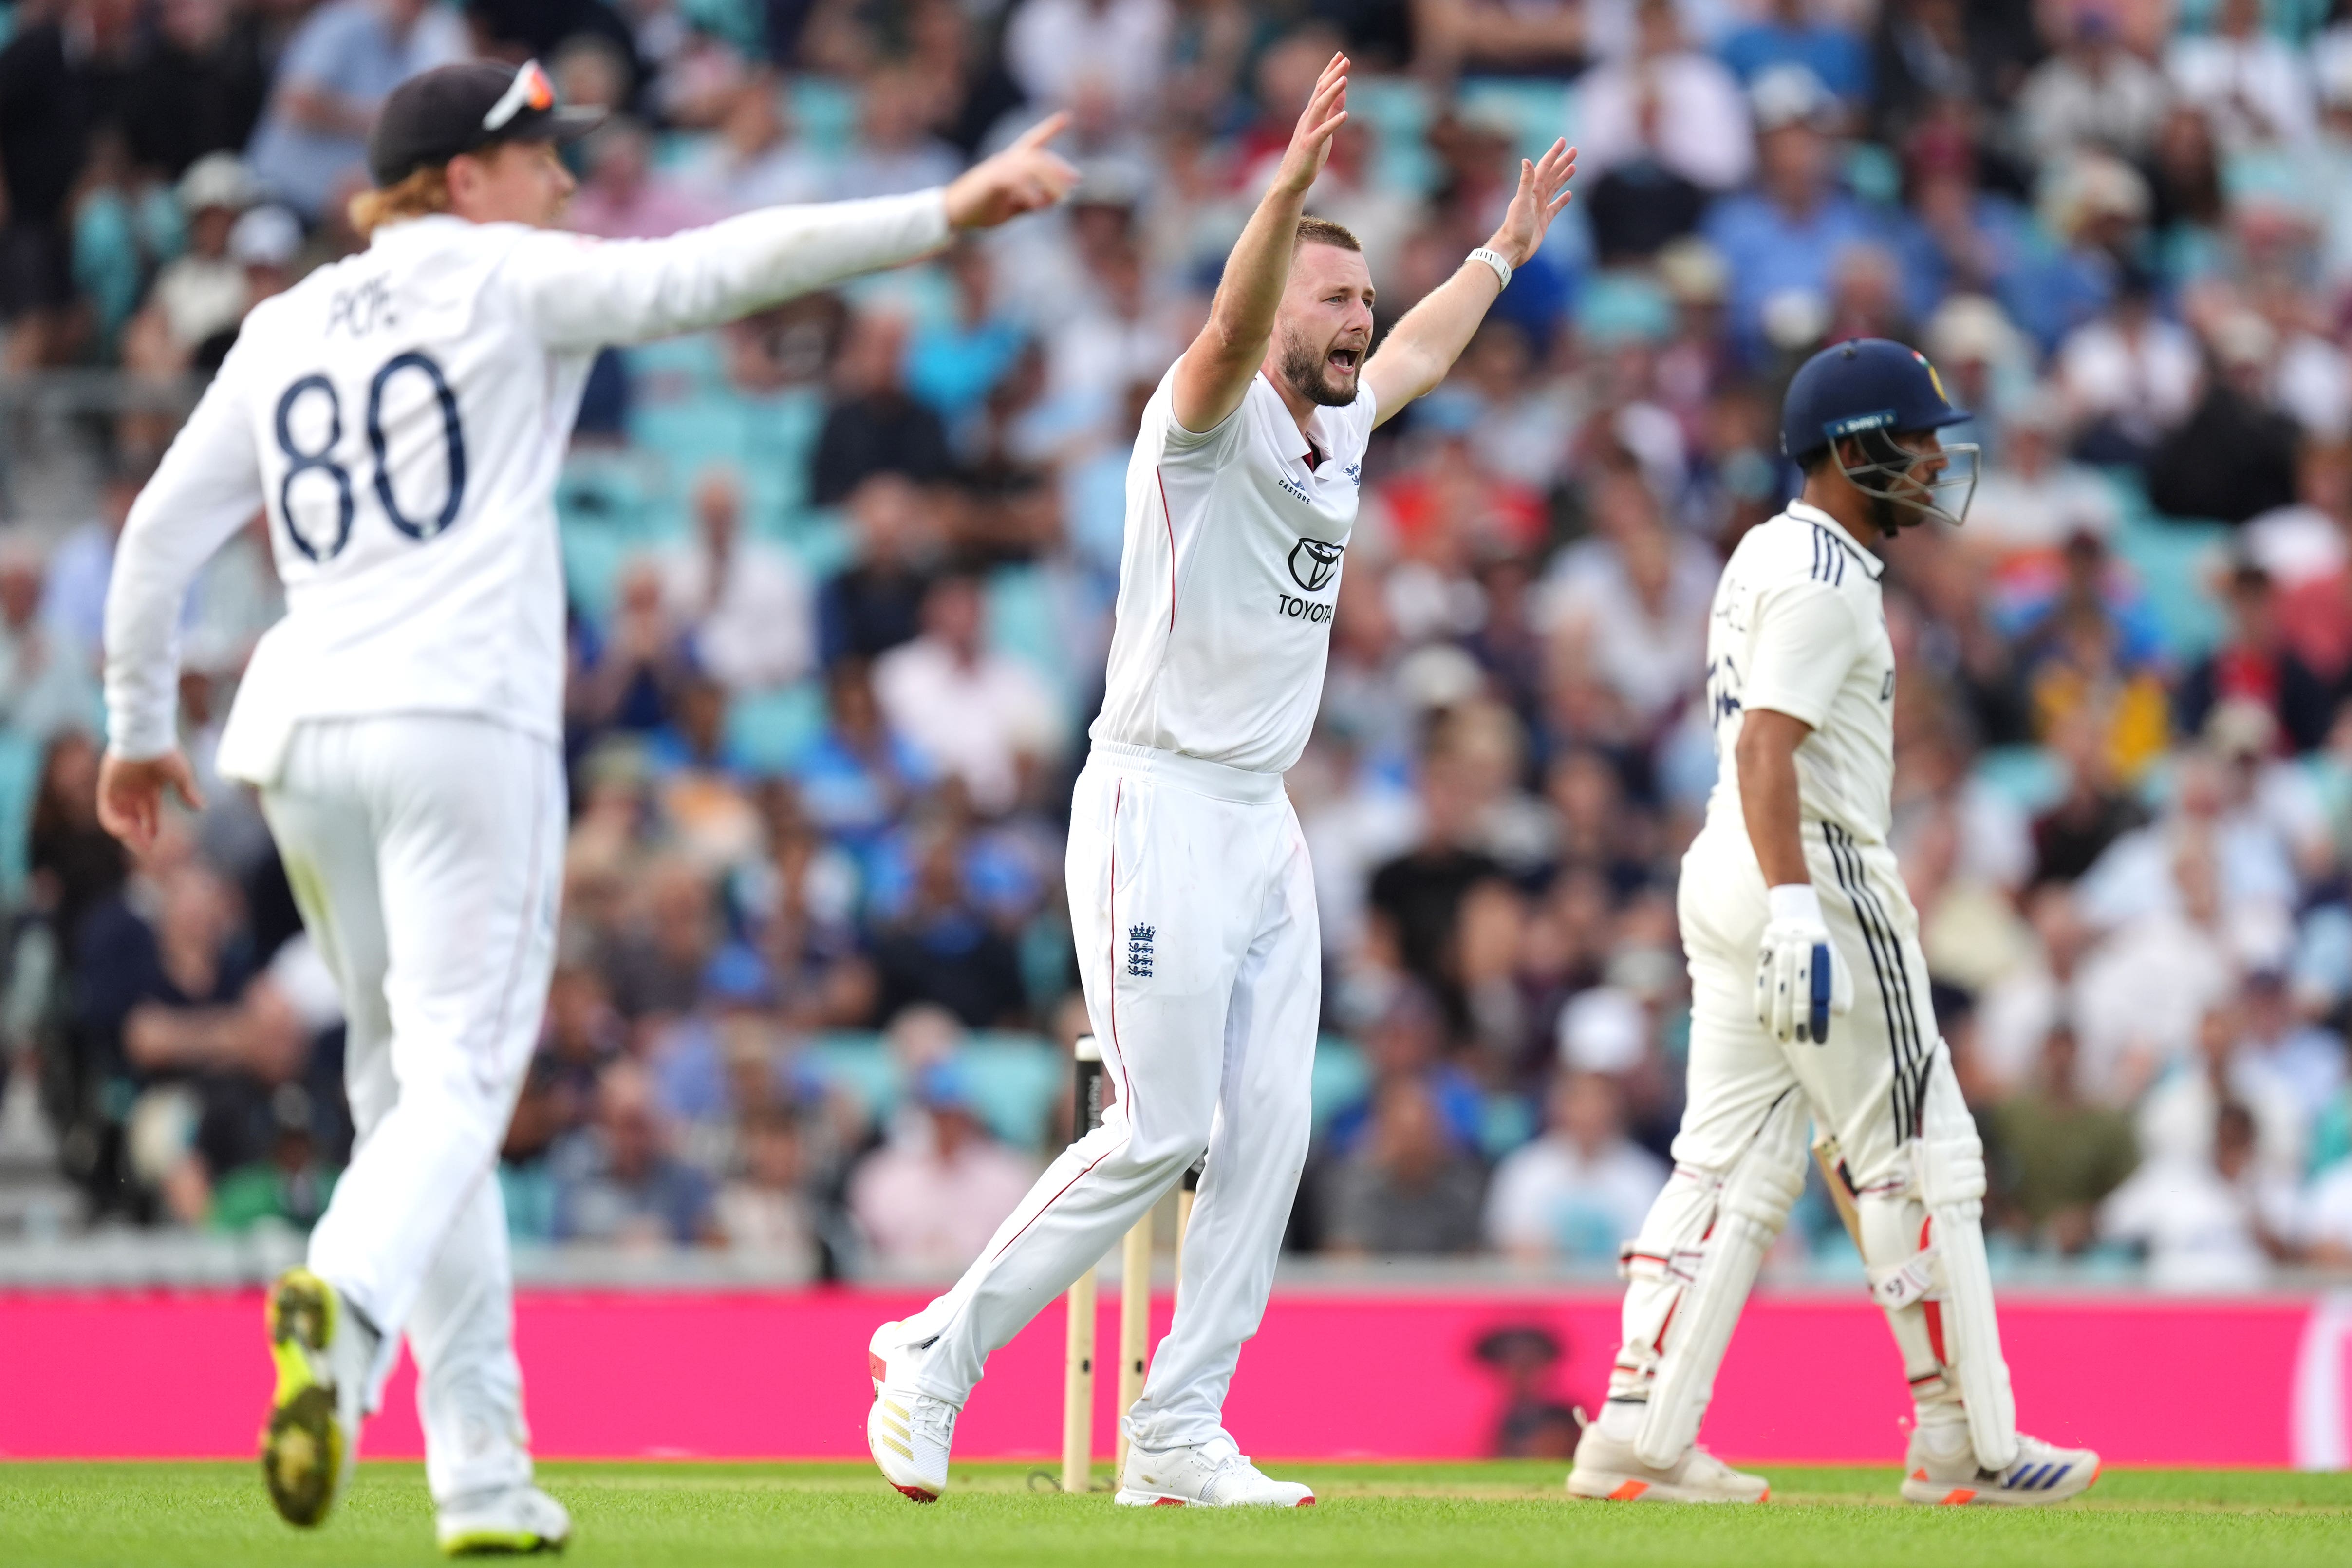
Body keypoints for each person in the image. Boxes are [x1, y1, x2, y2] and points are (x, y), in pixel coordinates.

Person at [94, 57, 1076, 1553]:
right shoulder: (503, 275)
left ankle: (482, 1478)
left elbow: (161, 528)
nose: (565, 184)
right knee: (464, 1087)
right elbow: (712, 271)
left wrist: (135, 726)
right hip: (457, 721)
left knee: (410, 1100)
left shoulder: (286, 319)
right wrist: (939, 212)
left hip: (298, 734)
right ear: (458, 180)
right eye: (539, 156)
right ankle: (340, 1307)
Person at [863, 51, 1576, 1509]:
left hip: (1261, 820)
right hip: (1152, 802)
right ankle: (930, 1353)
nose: (1356, 317)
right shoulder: (1200, 421)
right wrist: (1284, 198)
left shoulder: (1344, 422)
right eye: (1332, 297)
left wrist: (1497, 254)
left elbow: (1425, 352)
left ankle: (1177, 1426)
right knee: (1160, 1125)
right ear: (1269, 316)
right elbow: (1229, 319)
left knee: (1270, 1132)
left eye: (1359, 298)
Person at [1566, 339, 2101, 1507]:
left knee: (1731, 1164)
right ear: (1856, 449)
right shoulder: (1822, 576)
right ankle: (1975, 1444)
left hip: (1727, 870)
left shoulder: (1770, 549)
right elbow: (1769, 744)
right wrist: (1804, 910)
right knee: (1925, 1151)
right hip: (1811, 871)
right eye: (1912, 440)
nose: (1930, 461)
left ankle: (1639, 1433)